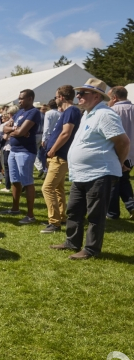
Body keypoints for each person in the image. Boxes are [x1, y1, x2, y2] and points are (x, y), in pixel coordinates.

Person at [50, 78, 130, 259]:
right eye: (79, 93)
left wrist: (118, 162)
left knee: (95, 214)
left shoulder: (105, 115)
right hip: (82, 174)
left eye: (83, 93)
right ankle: (72, 242)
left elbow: (123, 142)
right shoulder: (88, 114)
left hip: (99, 172)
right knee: (74, 210)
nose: (78, 96)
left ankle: (91, 249)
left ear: (96, 96)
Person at [40, 85, 80, 233]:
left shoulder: (71, 111)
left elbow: (66, 133)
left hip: (59, 156)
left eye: (56, 97)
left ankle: (54, 223)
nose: (55, 99)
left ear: (62, 97)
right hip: (57, 156)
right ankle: (61, 217)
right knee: (58, 188)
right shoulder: (69, 111)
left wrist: (53, 149)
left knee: (47, 188)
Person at [0, 89, 41, 224]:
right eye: (19, 98)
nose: (19, 101)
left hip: (25, 151)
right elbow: (4, 128)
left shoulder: (33, 112)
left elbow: (22, 132)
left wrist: (17, 131)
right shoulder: (19, 112)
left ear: (30, 98)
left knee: (27, 182)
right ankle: (15, 208)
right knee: (15, 180)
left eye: (22, 98)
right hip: (14, 150)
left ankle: (30, 215)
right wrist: (14, 130)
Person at [106, 86, 134, 220]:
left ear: (115, 98)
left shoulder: (111, 111)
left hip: (116, 151)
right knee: (123, 180)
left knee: (113, 183)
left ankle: (112, 212)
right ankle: (131, 206)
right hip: (132, 153)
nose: (108, 101)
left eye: (109, 99)